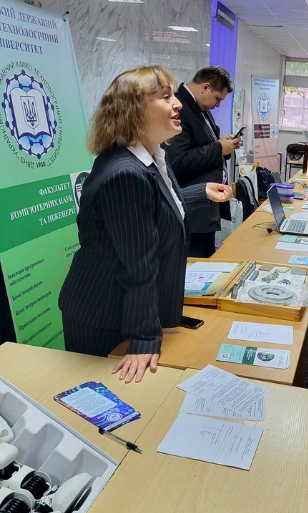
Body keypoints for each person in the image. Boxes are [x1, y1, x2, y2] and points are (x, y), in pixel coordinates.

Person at [58, 66, 232, 383]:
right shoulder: (126, 172)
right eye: (165, 97)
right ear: (135, 110)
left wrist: (198, 191)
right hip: (104, 316)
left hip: (125, 309)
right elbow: (138, 264)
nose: (177, 103)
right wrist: (144, 338)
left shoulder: (148, 158)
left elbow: (153, 203)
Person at [166, 66, 239, 258]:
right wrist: (218, 149)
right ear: (205, 87)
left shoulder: (200, 106)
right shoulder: (180, 108)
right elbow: (177, 160)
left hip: (206, 207)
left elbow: (204, 144)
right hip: (192, 207)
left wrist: (224, 146)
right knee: (195, 263)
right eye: (218, 99)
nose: (218, 105)